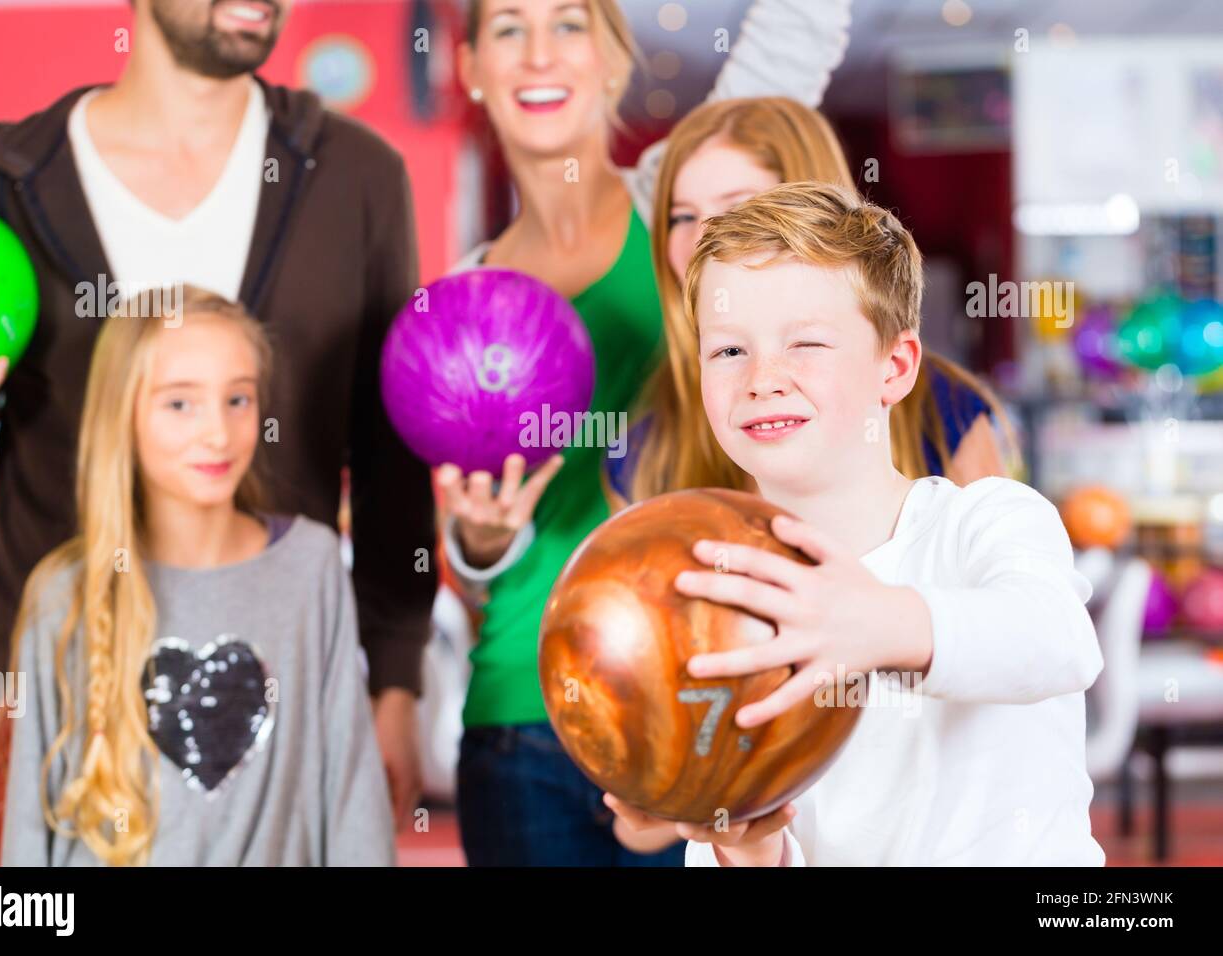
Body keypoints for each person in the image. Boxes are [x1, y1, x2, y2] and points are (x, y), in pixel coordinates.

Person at [0, 0, 433, 865]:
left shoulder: (356, 175)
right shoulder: (3, 178)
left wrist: (395, 679)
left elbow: (391, 454)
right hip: (51, 696)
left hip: (287, 700)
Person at [436, 0, 852, 866]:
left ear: (619, 62)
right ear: (470, 69)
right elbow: (476, 560)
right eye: (508, 29)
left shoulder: (689, 196)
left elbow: (797, 33)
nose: (540, 53)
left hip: (705, 691)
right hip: (524, 710)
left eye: (570, 24)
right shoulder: (465, 296)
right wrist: (479, 543)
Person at [605, 182, 1105, 865]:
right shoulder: (717, 598)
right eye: (728, 351)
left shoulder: (987, 520)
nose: (762, 378)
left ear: (894, 368)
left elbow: (1059, 641)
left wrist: (876, 625)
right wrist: (748, 846)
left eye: (805, 343)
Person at [1, 289, 393, 866]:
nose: (217, 432)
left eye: (238, 398)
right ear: (123, 414)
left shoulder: (311, 567)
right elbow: (30, 834)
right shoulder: (63, 594)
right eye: (180, 404)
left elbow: (354, 797)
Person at [609, 96, 1015, 514]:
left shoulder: (941, 411)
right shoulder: (644, 449)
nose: (703, 242)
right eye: (681, 217)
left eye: (736, 209)